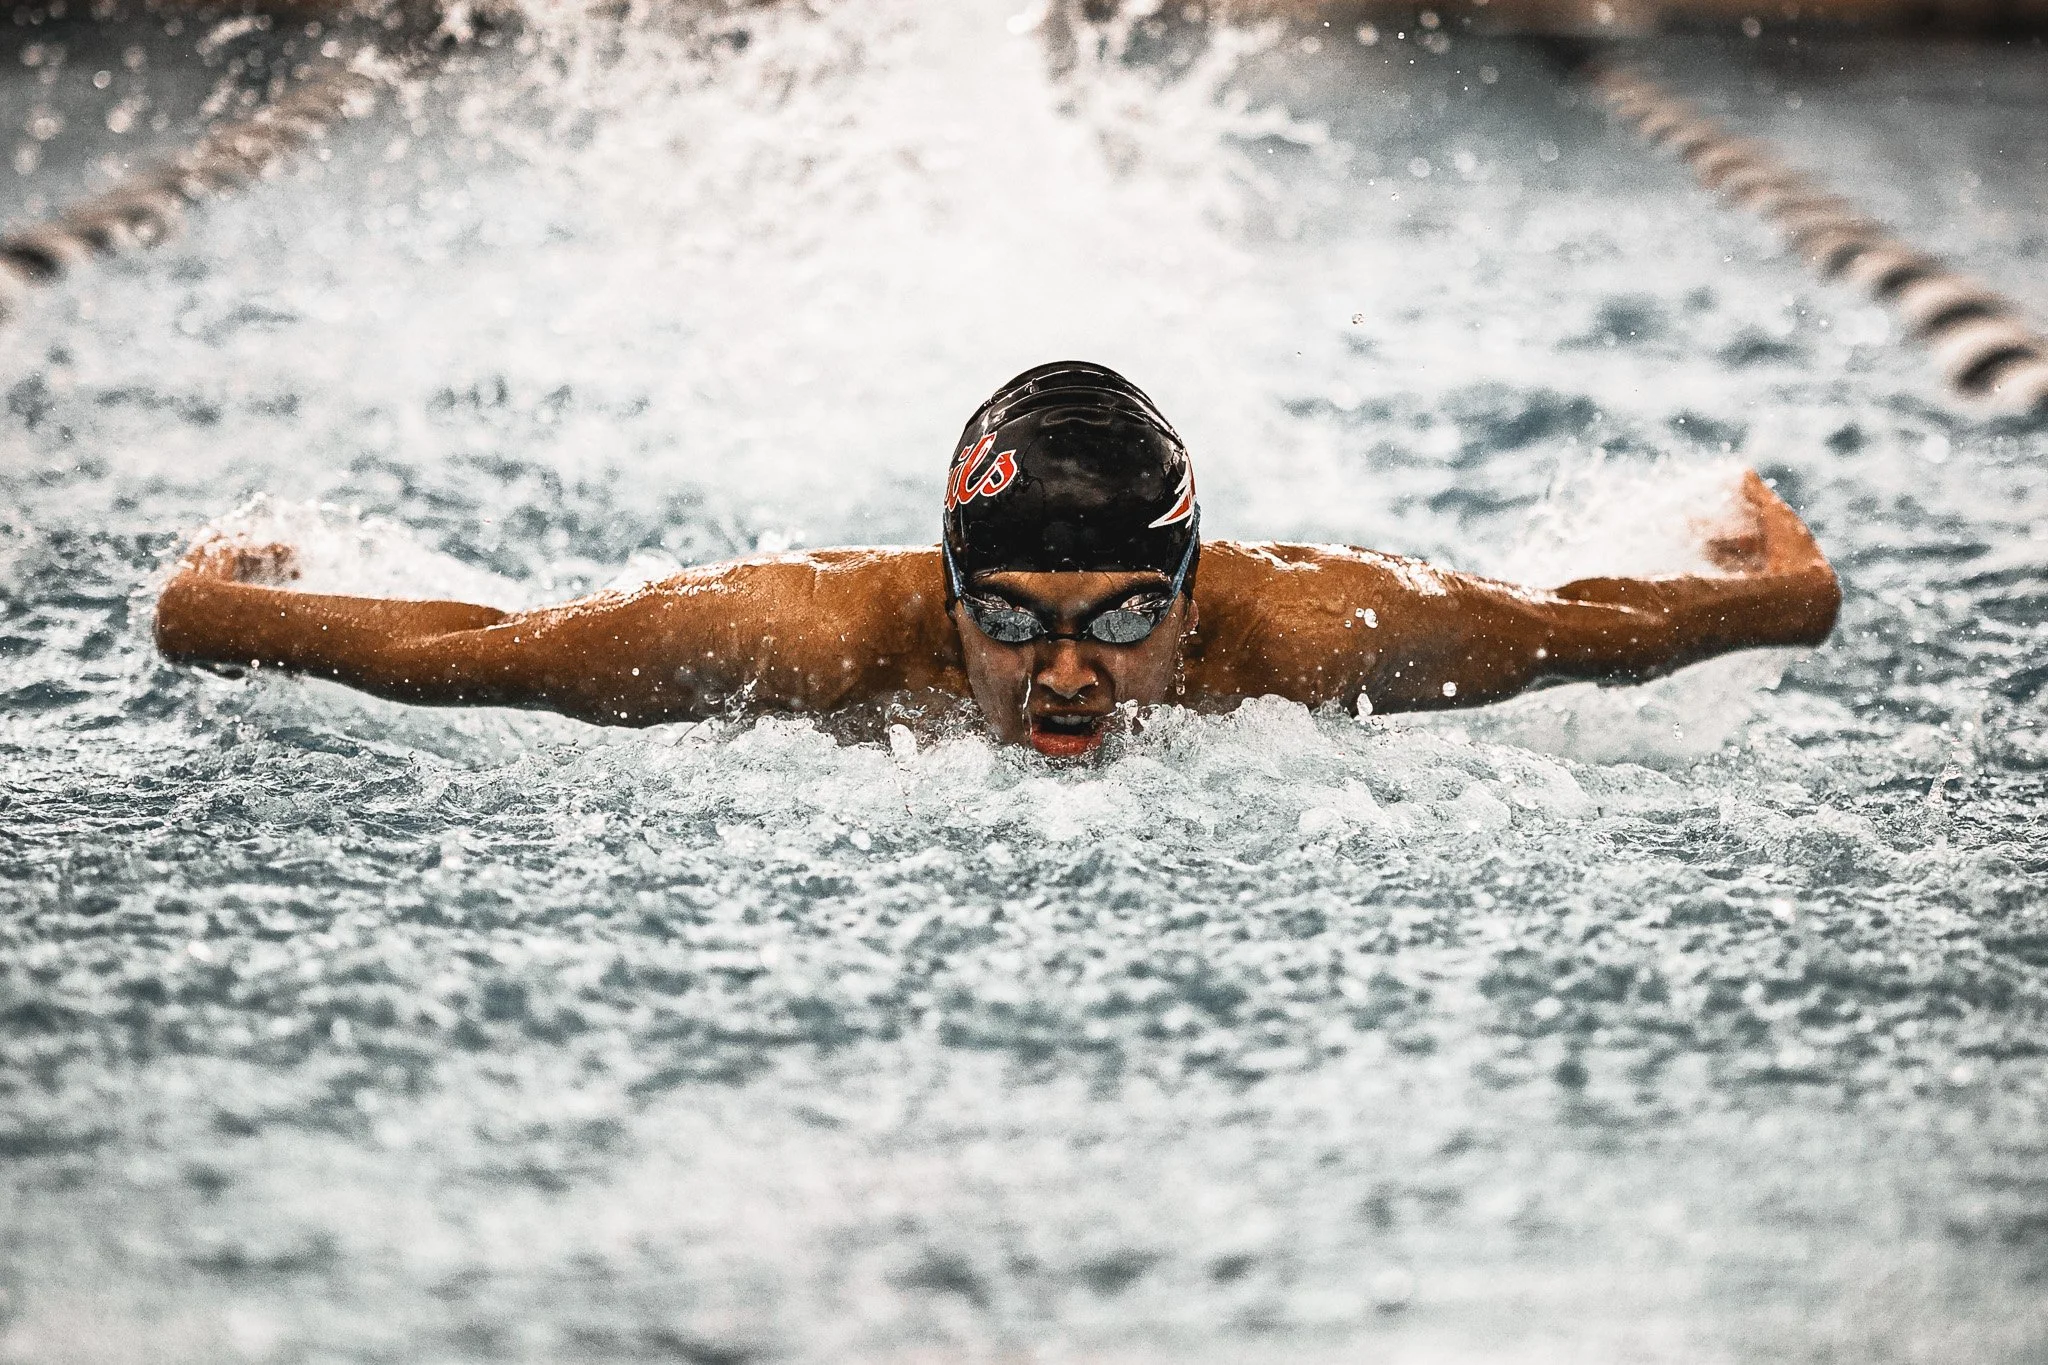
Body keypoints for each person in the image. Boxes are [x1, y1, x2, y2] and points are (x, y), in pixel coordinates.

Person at [154, 362, 1841, 758]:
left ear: (1196, 590)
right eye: (1010, 622)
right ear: (940, 588)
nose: (1067, 678)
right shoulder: (801, 639)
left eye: (1124, 618)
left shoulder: (1316, 638)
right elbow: (480, 646)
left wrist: (1770, 558)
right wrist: (230, 595)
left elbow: (1604, 631)